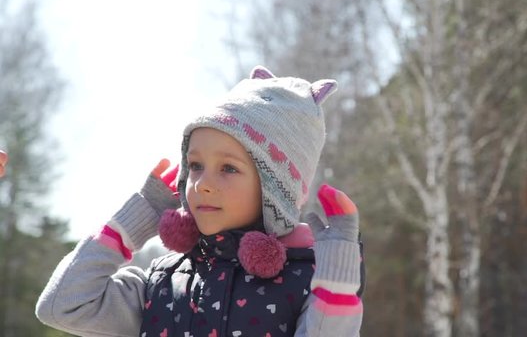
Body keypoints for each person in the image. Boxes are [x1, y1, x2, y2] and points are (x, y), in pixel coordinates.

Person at [36, 66, 364, 336]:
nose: (203, 184)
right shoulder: (160, 282)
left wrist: (336, 279)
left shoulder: (303, 280)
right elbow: (62, 306)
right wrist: (131, 224)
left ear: (276, 189)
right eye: (195, 166)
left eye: (228, 168)